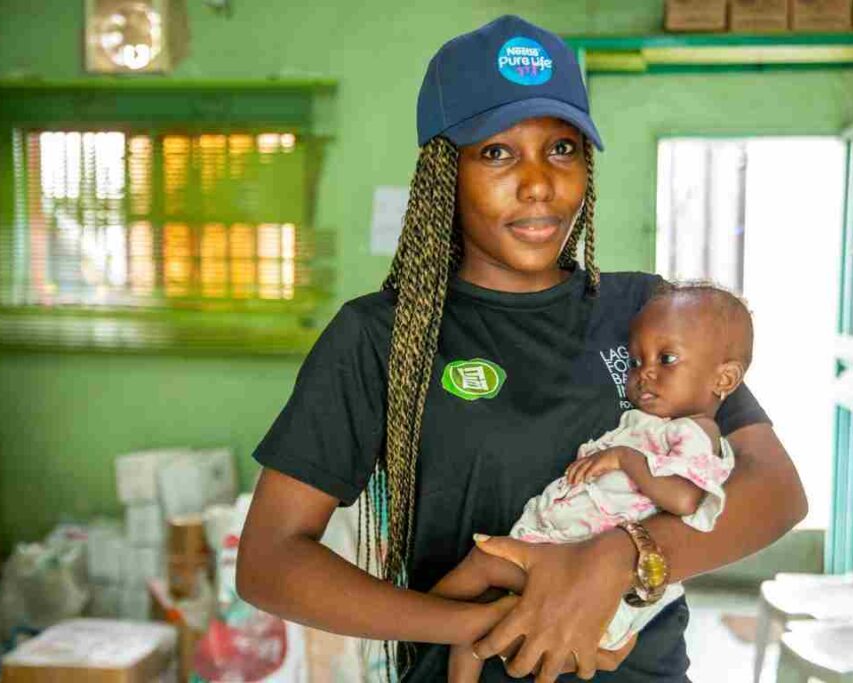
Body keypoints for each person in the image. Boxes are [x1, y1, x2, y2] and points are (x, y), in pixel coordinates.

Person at [237, 14, 807, 683]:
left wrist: (622, 558)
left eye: (561, 149)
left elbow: (776, 488)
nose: (538, 183)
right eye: (498, 152)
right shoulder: (384, 336)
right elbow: (270, 558)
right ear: (444, 170)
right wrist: (487, 622)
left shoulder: (650, 314)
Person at [434, 283, 754, 682]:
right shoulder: (648, 422)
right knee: (480, 608)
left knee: (482, 572)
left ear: (724, 379)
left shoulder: (695, 434)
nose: (644, 373)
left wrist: (624, 458)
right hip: (563, 550)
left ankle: (416, 620)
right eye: (636, 361)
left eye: (666, 358)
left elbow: (686, 498)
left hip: (590, 574)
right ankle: (432, 633)